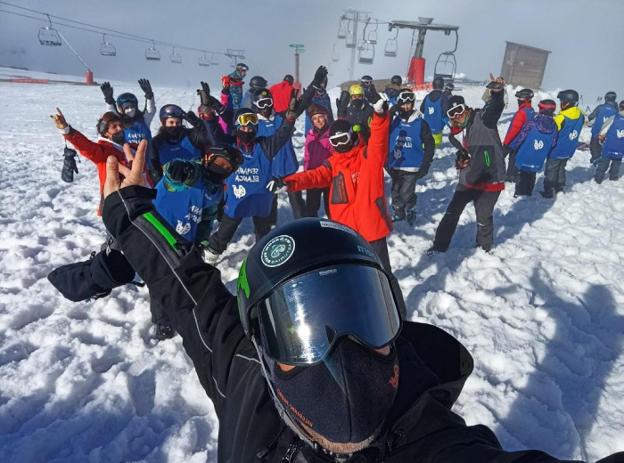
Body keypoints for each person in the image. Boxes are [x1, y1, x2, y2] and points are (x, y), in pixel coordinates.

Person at [100, 146, 624, 462]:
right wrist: (131, 211)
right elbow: (187, 287)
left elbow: (190, 292)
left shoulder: (429, 437)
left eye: (364, 318)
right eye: (304, 326)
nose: (340, 356)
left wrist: (129, 213)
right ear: (259, 338)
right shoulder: (245, 370)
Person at [203, 68, 322, 264]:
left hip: (262, 196)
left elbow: (283, 134)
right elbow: (215, 133)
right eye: (243, 123)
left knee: (264, 229)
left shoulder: (264, 145)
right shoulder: (231, 146)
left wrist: (291, 118)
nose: (247, 127)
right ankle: (213, 252)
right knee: (228, 226)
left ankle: (263, 254)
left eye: (251, 123)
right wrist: (208, 114)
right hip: (238, 197)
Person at [430, 77, 506, 253]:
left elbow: (494, 109)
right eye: (452, 113)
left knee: (483, 218)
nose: (457, 115)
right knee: (451, 213)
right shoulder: (454, 135)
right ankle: (439, 247)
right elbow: (464, 153)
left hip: (490, 178)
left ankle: (484, 249)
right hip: (469, 179)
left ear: (465, 108)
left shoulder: (482, 119)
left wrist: (497, 92)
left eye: (459, 110)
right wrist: (460, 159)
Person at [153, 146, 243, 247]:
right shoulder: (193, 174)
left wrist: (200, 242)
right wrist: (177, 168)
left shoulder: (216, 191)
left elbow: (206, 219)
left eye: (228, 168)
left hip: (179, 245)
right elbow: (173, 177)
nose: (223, 169)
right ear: (209, 158)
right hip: (155, 230)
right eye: (220, 163)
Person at [50, 108, 129, 215]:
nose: (120, 128)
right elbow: (86, 146)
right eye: (114, 127)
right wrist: (67, 130)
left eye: (120, 125)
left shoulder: (128, 146)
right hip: (115, 200)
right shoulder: (103, 150)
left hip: (134, 197)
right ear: (105, 132)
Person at [251, 87, 305, 221]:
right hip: (269, 172)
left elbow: (300, 108)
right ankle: (271, 228)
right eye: (261, 103)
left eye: (268, 102)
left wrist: (314, 86)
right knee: (270, 205)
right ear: (255, 105)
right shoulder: (254, 125)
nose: (266, 107)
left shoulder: (281, 118)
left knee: (297, 204)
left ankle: (303, 225)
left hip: (288, 168)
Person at [387, 89, 435, 224]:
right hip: (395, 163)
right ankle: (398, 211)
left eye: (409, 104)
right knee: (395, 192)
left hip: (412, 165)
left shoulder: (420, 123)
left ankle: (411, 206)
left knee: (406, 192)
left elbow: (430, 144)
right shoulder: (393, 121)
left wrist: (426, 163)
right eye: (403, 104)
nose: (406, 107)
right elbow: (379, 128)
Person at [149, 104, 216, 183]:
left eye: (178, 122)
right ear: (164, 123)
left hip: (196, 183)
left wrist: (198, 124)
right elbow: (154, 169)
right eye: (171, 122)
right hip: (170, 187)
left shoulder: (192, 135)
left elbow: (211, 137)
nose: (175, 125)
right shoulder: (157, 142)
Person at [540, 89, 585, 198]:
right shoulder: (581, 115)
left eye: (561, 101)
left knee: (551, 169)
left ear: (567, 102)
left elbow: (550, 132)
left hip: (556, 149)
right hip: (569, 149)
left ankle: (549, 191)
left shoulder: (561, 118)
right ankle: (560, 187)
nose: (560, 103)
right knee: (561, 168)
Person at [510, 99, 558, 196]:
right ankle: (528, 193)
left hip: (525, 154)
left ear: (541, 109)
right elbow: (553, 143)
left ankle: (519, 193)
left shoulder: (533, 123)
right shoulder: (554, 127)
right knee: (532, 174)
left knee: (522, 174)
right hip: (539, 157)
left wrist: (514, 146)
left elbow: (522, 136)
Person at [99, 79, 156, 147]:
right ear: (121, 109)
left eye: (132, 107)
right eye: (126, 108)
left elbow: (150, 110)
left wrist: (149, 96)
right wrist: (109, 100)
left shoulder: (144, 119)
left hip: (147, 156)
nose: (130, 110)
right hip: (127, 155)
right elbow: (112, 113)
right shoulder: (120, 122)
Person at [302, 103, 332, 217]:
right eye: (314, 118)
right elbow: (307, 156)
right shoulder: (310, 136)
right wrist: (306, 172)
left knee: (331, 207)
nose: (318, 121)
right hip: (314, 175)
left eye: (320, 117)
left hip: (329, 176)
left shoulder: (331, 135)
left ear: (326, 117)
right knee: (311, 206)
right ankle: (313, 229)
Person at [502, 88, 535, 182]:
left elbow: (514, 130)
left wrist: (506, 142)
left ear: (525, 99)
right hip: (522, 140)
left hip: (514, 141)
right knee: (514, 158)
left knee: (503, 157)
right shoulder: (531, 110)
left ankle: (504, 175)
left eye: (520, 98)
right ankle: (513, 175)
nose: (518, 100)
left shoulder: (521, 112)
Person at [594, 99, 624, 183]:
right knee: (616, 163)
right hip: (621, 148)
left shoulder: (614, 117)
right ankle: (613, 177)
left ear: (620, 107)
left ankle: (598, 178)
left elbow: (604, 128)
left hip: (609, 145)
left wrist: (601, 137)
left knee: (604, 163)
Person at [588, 91, 618, 164]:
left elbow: (590, 117)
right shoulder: (616, 110)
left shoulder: (600, 107)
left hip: (596, 133)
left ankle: (596, 158)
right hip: (608, 135)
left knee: (593, 147)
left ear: (606, 98)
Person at [420, 76, 449, 147]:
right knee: (435, 146)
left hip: (426, 127)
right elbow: (446, 112)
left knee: (425, 146)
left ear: (433, 85)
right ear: (442, 86)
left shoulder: (427, 97)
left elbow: (422, 109)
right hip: (438, 128)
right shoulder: (443, 97)